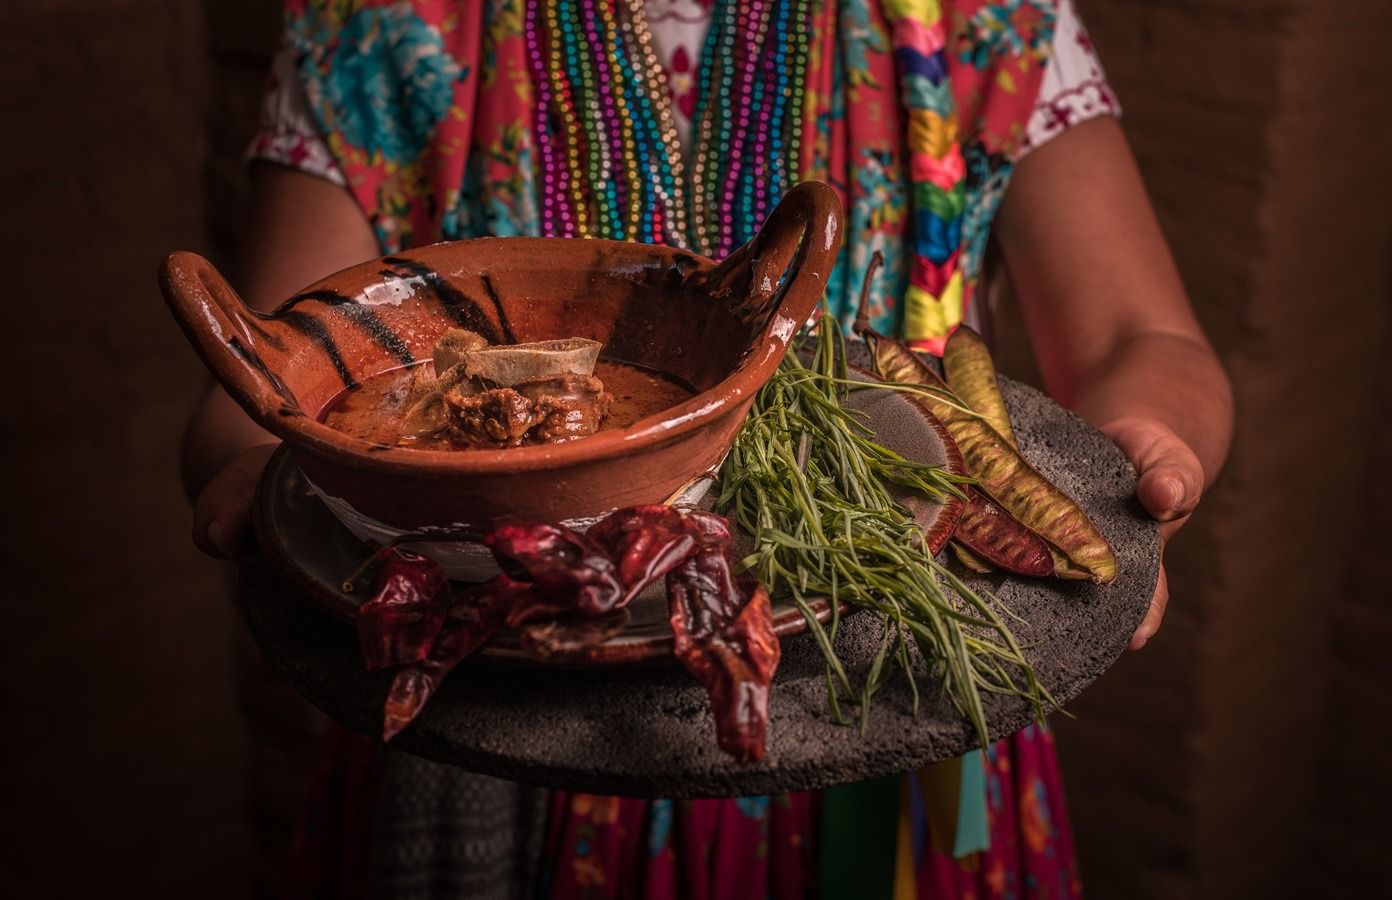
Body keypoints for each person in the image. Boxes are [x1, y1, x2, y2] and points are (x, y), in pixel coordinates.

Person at [183, 1, 1233, 897]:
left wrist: (1142, 445)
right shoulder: (388, 21)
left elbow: (1142, 339)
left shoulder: (974, 20)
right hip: (490, 711)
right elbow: (272, 373)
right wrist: (252, 465)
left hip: (888, 697)